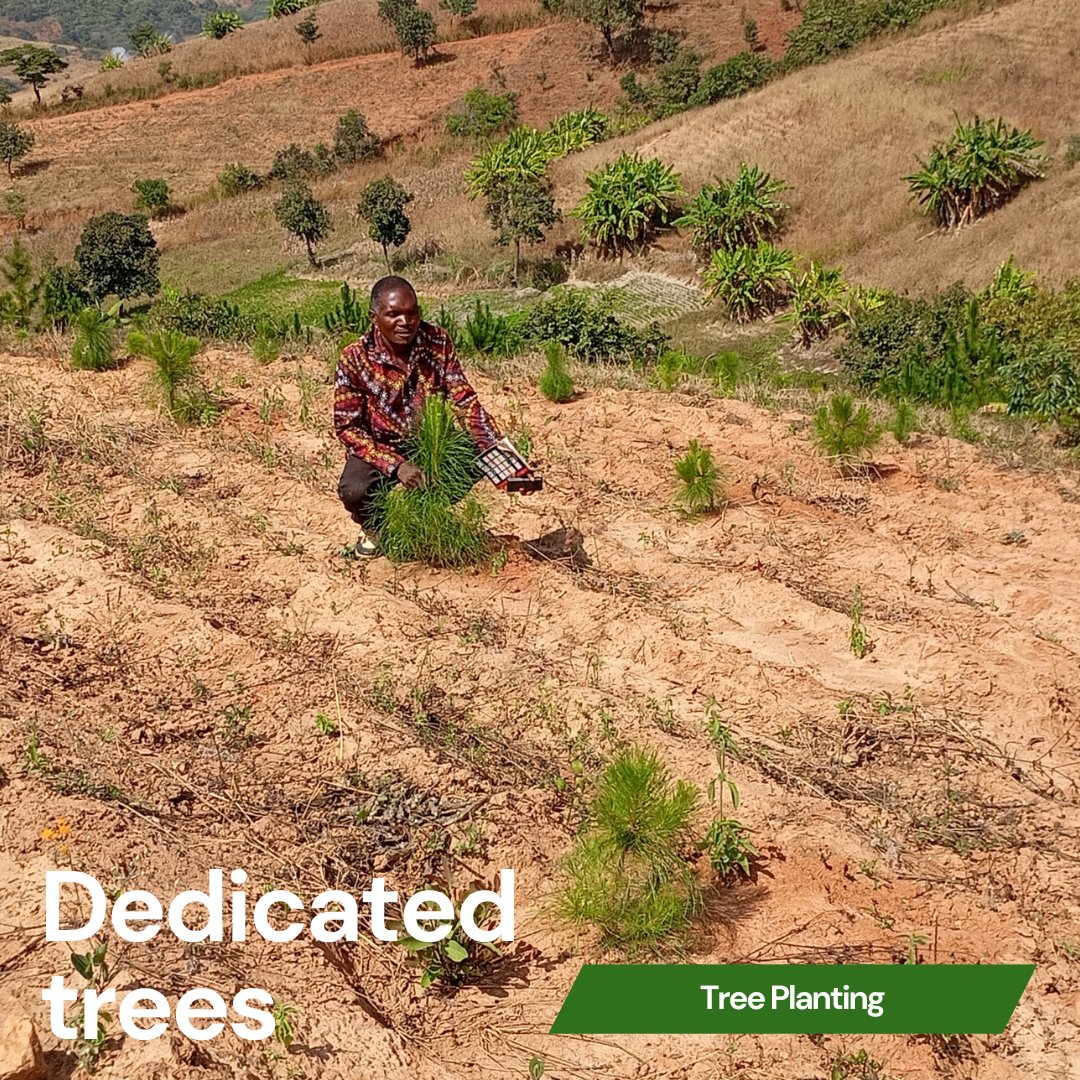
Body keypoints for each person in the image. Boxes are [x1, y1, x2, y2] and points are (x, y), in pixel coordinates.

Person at [333, 276, 504, 557]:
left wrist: (498, 451)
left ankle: (422, 515)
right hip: (379, 447)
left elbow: (463, 397)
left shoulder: (436, 341)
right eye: (394, 314)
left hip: (429, 440)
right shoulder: (354, 357)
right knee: (354, 490)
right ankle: (377, 526)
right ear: (374, 317)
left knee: (481, 454)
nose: (405, 321)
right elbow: (347, 427)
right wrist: (397, 466)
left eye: (412, 313)